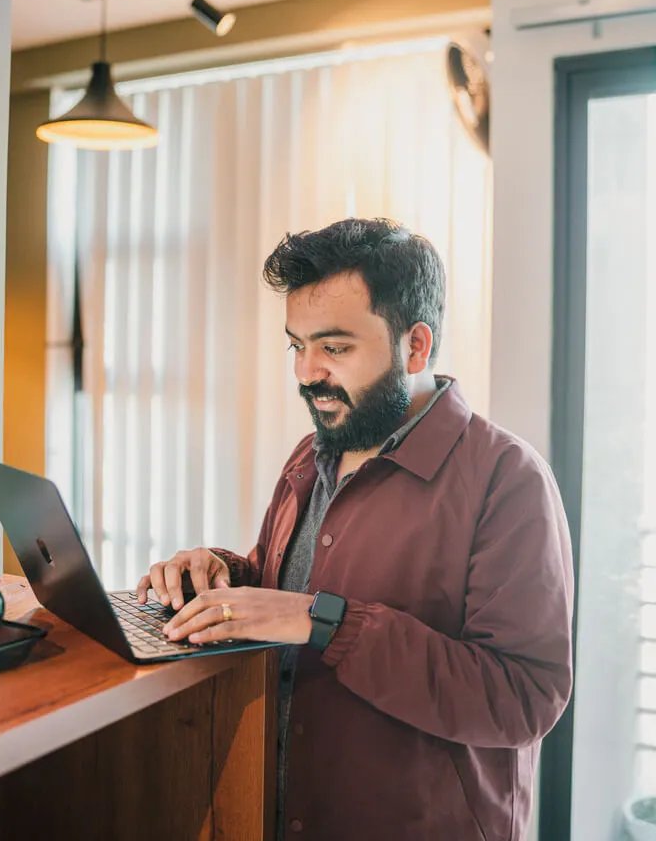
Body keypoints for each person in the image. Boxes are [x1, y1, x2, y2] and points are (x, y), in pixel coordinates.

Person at [137, 218, 573, 841]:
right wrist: (223, 575)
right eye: (297, 346)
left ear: (415, 347)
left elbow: (524, 696)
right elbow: (286, 585)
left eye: (334, 348)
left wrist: (326, 623)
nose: (306, 372)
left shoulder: (507, 479)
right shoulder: (310, 455)